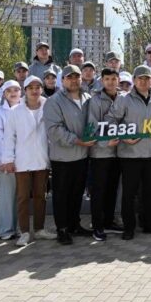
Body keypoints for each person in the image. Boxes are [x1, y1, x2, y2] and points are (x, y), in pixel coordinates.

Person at [105, 65, 151, 239]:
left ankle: (150, 224)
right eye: (140, 78)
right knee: (129, 194)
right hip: (130, 154)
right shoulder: (124, 99)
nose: (144, 81)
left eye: (147, 78)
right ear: (134, 80)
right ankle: (129, 227)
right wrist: (124, 136)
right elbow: (111, 120)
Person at [43, 65, 95, 244]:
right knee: (62, 195)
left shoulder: (88, 98)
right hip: (63, 158)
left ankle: (74, 224)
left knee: (77, 193)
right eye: (69, 77)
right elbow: (54, 130)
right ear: (62, 80)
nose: (74, 80)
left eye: (77, 76)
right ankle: (62, 229)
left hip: (82, 156)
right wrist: (77, 140)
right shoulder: (54, 101)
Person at [2, 76, 55, 246]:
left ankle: (39, 230)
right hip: (22, 160)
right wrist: (8, 160)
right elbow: (9, 137)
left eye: (37, 87)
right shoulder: (15, 111)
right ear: (25, 90)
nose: (34, 90)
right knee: (23, 197)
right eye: (30, 87)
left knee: (41, 196)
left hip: (42, 159)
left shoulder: (49, 107)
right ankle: (24, 232)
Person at [87, 68, 124, 240]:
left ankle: (109, 222)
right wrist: (104, 142)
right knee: (99, 190)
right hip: (100, 153)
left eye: (113, 78)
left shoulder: (123, 97)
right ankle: (97, 225)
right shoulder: (95, 100)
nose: (110, 82)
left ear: (118, 80)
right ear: (102, 80)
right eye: (107, 79)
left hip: (118, 152)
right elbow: (91, 128)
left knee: (112, 189)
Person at [0, 80, 21, 240]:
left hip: (23, 162)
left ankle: (19, 228)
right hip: (6, 163)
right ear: (4, 94)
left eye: (16, 90)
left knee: (20, 197)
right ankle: (5, 229)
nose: (13, 93)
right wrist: (4, 161)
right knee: (6, 197)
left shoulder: (25, 110)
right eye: (9, 90)